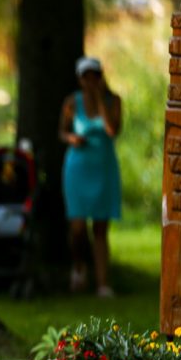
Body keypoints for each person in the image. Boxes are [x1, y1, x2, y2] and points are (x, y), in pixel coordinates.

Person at [59, 56, 122, 297]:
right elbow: (62, 131)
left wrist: (99, 100)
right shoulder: (71, 103)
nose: (90, 80)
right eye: (86, 76)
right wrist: (71, 138)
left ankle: (103, 283)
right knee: (77, 227)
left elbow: (112, 129)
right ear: (80, 79)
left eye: (94, 75)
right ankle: (78, 268)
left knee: (100, 227)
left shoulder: (114, 101)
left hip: (103, 168)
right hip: (78, 168)